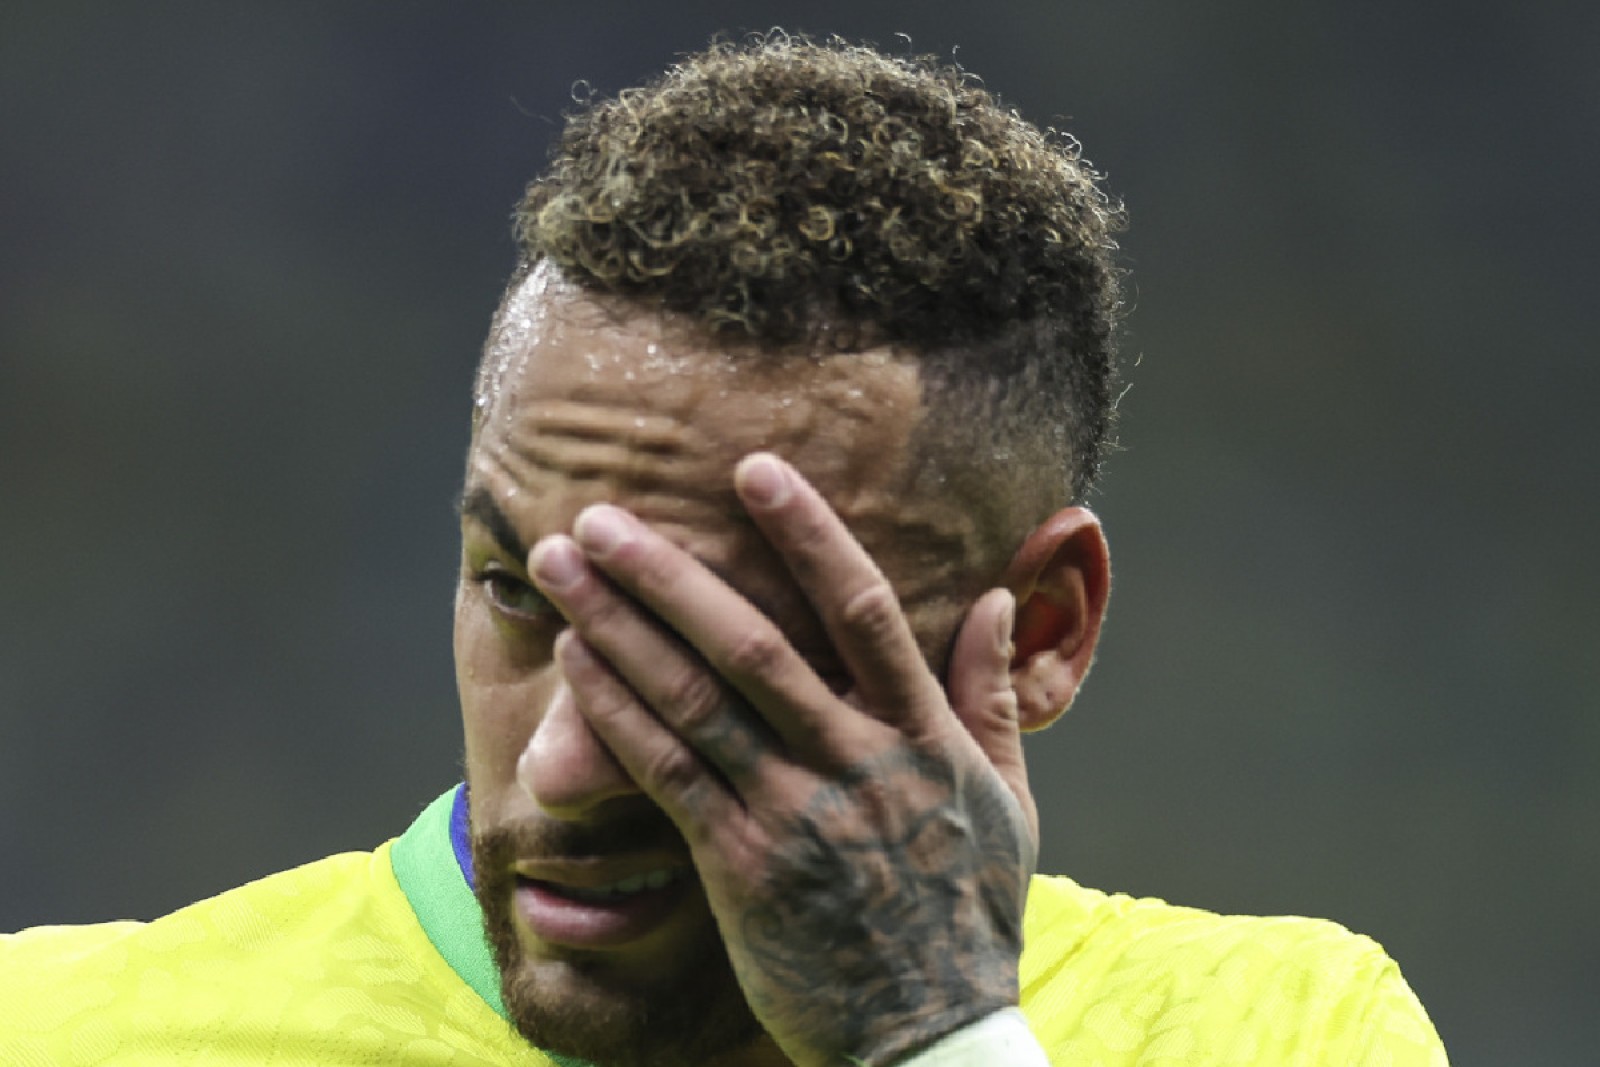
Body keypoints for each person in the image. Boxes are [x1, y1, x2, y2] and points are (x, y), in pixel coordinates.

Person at [0, 34, 1447, 1067]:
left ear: (1044, 631)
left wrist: (934, 1034)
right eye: (517, 594)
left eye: (716, 653)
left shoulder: (1280, 1034)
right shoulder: (61, 1037)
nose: (568, 765)